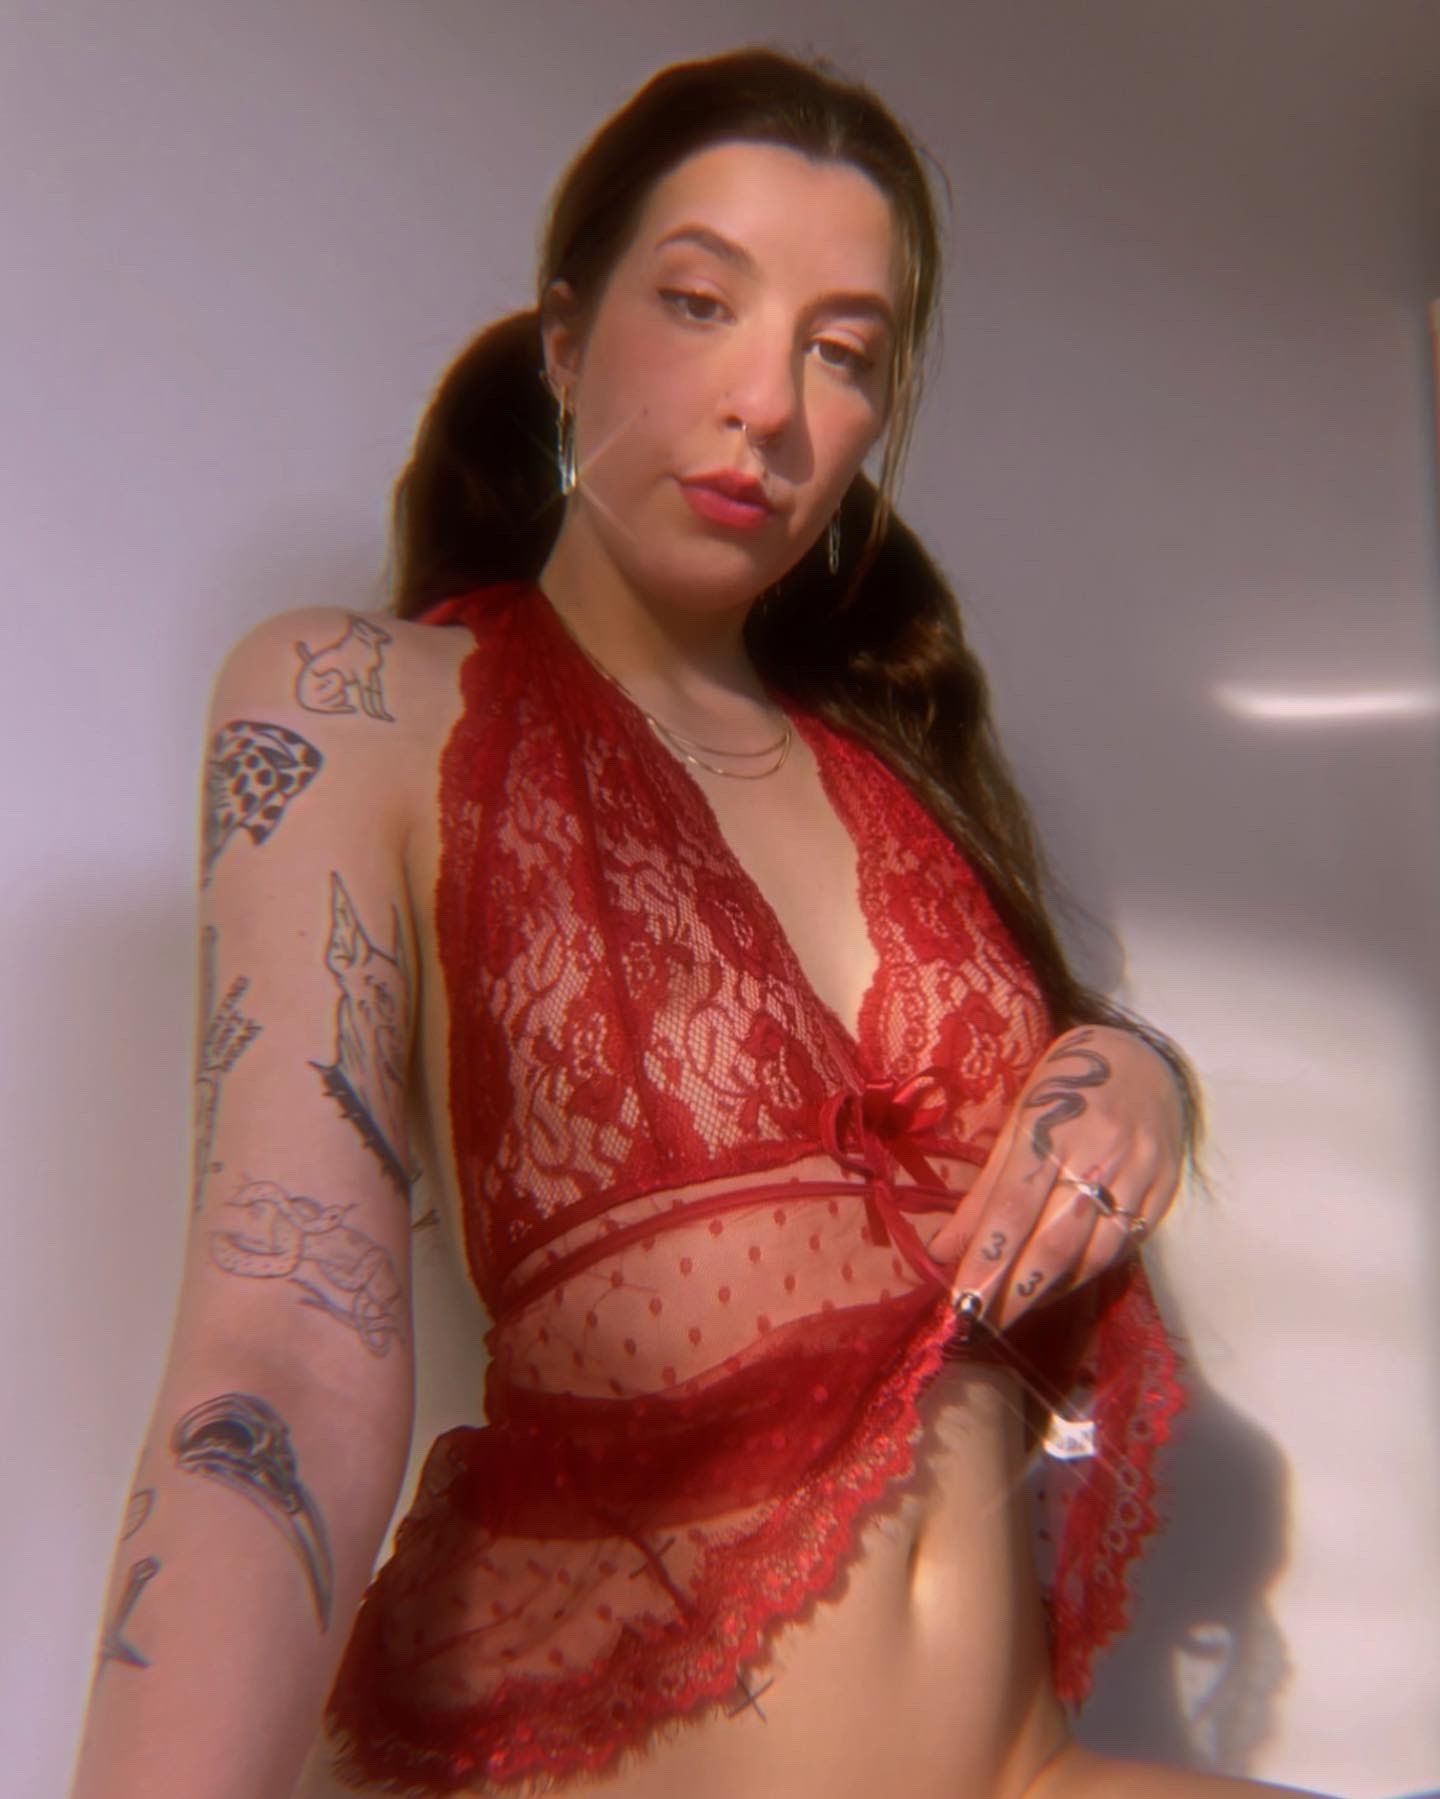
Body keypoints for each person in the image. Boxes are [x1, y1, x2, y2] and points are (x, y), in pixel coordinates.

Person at [71, 45, 1328, 1799]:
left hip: (1020, 1766)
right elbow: (284, 1339)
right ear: (565, 342)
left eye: (844, 351)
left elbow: (1025, 1117)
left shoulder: (895, 772)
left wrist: (1137, 1076)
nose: (768, 405)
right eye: (699, 303)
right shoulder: (363, 702)